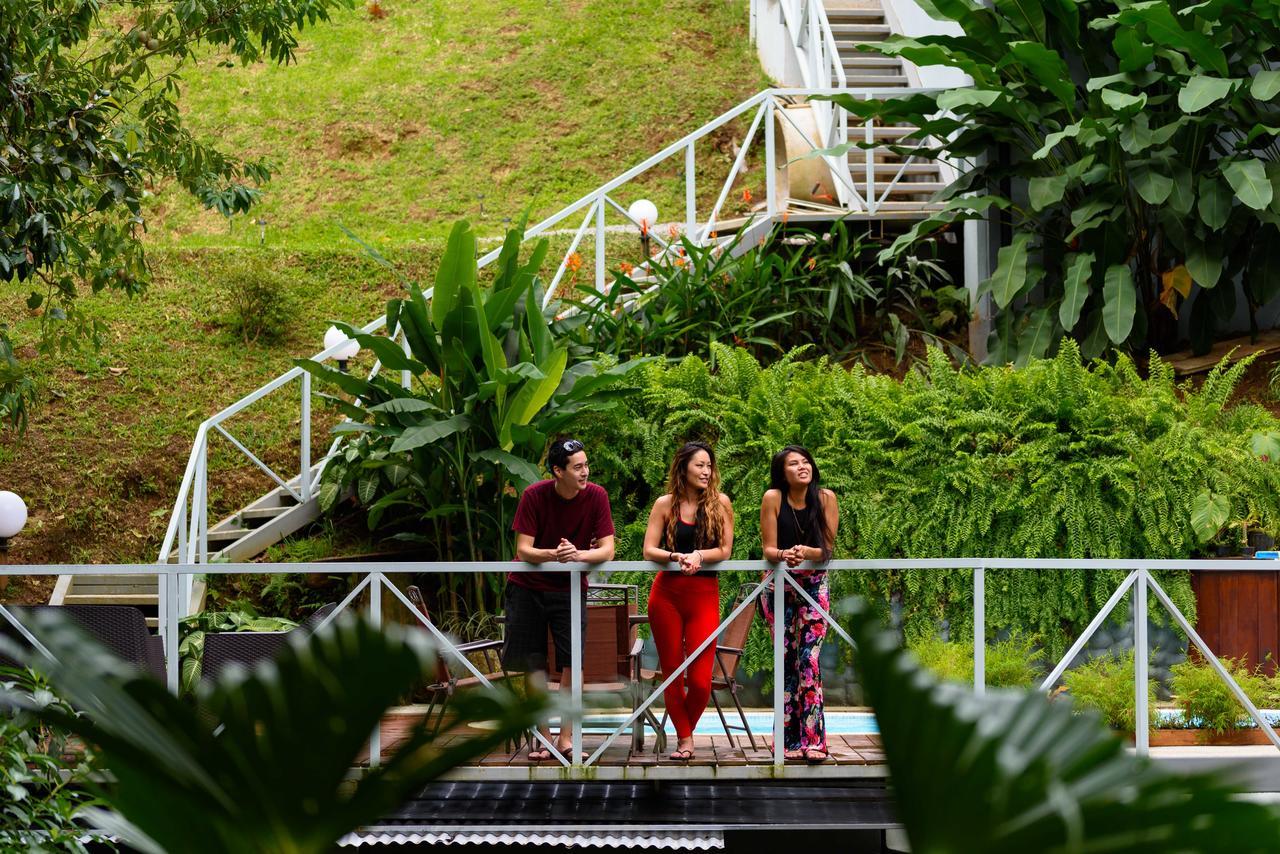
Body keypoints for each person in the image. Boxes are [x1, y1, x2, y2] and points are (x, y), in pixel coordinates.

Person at [505, 437, 616, 761]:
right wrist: (554, 554)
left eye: (586, 464)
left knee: (573, 662)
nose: (585, 472)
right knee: (533, 662)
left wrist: (577, 554)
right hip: (527, 586)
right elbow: (523, 549)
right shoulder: (534, 496)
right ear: (558, 471)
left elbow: (608, 549)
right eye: (578, 467)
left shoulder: (596, 496)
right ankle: (544, 737)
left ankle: (567, 738)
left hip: (569, 587)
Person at [641, 441, 735, 761]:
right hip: (666, 595)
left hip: (703, 596)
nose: (706, 471)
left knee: (699, 682)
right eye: (699, 465)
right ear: (683, 468)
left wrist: (697, 555)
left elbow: (724, 551)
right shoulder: (664, 504)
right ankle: (685, 741)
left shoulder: (720, 503)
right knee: (672, 673)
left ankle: (684, 732)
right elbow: (649, 550)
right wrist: (675, 556)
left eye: (709, 465)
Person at [759, 444, 839, 763]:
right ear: (782, 472)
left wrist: (806, 552)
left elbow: (828, 550)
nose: (802, 467)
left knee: (809, 659)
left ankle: (814, 741)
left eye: (806, 462)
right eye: (794, 463)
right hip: (779, 583)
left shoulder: (826, 499)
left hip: (813, 584)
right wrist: (784, 555)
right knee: (787, 660)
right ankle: (787, 741)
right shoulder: (772, 498)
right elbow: (768, 548)